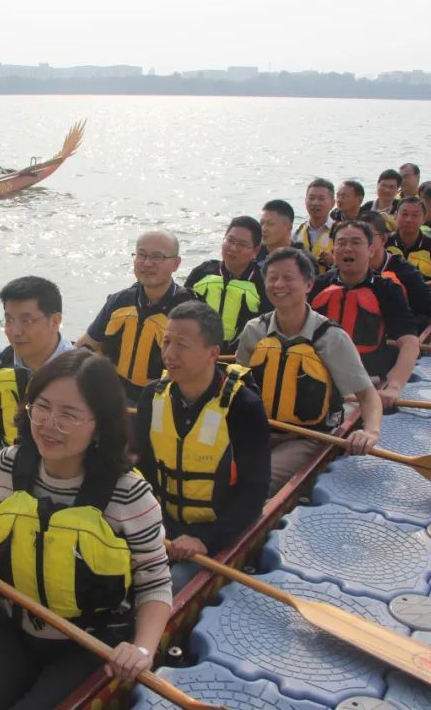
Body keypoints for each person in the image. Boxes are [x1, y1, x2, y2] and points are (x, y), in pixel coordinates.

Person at [0, 349, 172, 710]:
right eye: (42, 407)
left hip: (88, 645)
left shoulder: (129, 494)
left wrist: (142, 648)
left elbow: (155, 582)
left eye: (69, 415)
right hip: (12, 631)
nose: (49, 424)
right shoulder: (7, 465)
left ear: (100, 424)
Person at [134, 301, 271, 591]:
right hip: (165, 525)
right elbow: (143, 468)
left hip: (219, 530)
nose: (169, 355)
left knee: (172, 586)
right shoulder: (152, 397)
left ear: (212, 353)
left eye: (181, 345)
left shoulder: (244, 406)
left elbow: (255, 491)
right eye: (166, 342)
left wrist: (206, 539)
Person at [237, 248, 383, 495]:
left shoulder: (331, 338)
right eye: (272, 278)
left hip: (306, 437)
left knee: (256, 481)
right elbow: (238, 388)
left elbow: (367, 396)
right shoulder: (254, 331)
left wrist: (370, 431)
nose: (278, 285)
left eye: (288, 277)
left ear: (308, 284)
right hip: (259, 429)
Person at [0, 276, 73, 466]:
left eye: (27, 321)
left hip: (63, 475)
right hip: (4, 469)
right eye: (9, 320)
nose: (15, 331)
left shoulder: (82, 371)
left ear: (55, 321)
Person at [310, 220, 420, 408]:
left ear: (370, 250)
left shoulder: (386, 290)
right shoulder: (317, 285)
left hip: (364, 384)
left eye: (355, 243)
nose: (347, 249)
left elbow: (409, 341)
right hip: (316, 378)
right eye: (341, 243)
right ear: (333, 249)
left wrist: (393, 387)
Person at [78, 230, 194, 404]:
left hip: (164, 402)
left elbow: (197, 371)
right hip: (113, 397)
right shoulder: (119, 301)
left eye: (157, 257)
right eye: (141, 255)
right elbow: (87, 344)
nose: (146, 263)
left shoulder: (190, 311)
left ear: (176, 264)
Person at [361, 211, 431, 355]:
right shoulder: (343, 268)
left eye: (368, 237)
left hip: (395, 337)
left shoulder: (404, 270)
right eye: (356, 240)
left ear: (383, 239)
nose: (359, 245)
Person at [183, 216, 272, 353]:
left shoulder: (264, 283)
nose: (233, 248)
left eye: (242, 244)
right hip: (198, 352)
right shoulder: (202, 272)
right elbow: (181, 312)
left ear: (255, 251)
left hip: (239, 357)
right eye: (230, 240)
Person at [386, 197, 431, 298]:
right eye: (404, 214)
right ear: (396, 216)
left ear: (424, 218)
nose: (409, 220)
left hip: (422, 300)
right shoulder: (385, 243)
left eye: (415, 215)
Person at [294, 178, 336, 274]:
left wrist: (333, 262)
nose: (315, 203)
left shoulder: (341, 231)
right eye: (311, 198)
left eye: (321, 199)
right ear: (305, 201)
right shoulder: (297, 231)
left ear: (332, 203)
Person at [256, 199, 307, 267]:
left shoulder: (303, 260)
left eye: (270, 224)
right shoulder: (253, 254)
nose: (263, 229)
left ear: (288, 227)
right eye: (261, 223)